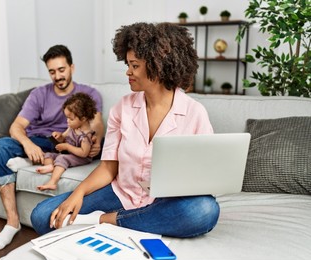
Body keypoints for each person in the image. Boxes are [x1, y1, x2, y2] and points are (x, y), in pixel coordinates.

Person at [30, 23, 220, 238]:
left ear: (159, 66)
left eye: (135, 65)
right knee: (42, 215)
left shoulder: (194, 113)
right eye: (128, 64)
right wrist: (78, 193)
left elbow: (203, 176)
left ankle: (104, 220)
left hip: (165, 200)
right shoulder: (122, 108)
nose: (128, 71)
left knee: (204, 211)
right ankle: (142, 221)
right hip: (122, 193)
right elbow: (109, 168)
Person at [0, 45, 104, 250]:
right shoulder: (39, 94)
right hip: (35, 139)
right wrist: (27, 143)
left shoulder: (89, 94)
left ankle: (28, 159)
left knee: (56, 146)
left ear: (72, 67)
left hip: (61, 144)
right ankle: (12, 222)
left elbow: (97, 125)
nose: (57, 76)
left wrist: (96, 141)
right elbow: (16, 126)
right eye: (52, 72)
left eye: (61, 70)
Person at [36, 92, 97, 191]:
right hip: (70, 154)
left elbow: (84, 153)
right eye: (67, 118)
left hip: (82, 158)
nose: (68, 121)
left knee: (62, 158)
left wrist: (67, 147)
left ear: (83, 118)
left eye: (71, 118)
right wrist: (59, 136)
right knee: (48, 155)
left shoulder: (86, 135)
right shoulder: (72, 127)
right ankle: (50, 166)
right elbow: (64, 137)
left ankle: (52, 182)